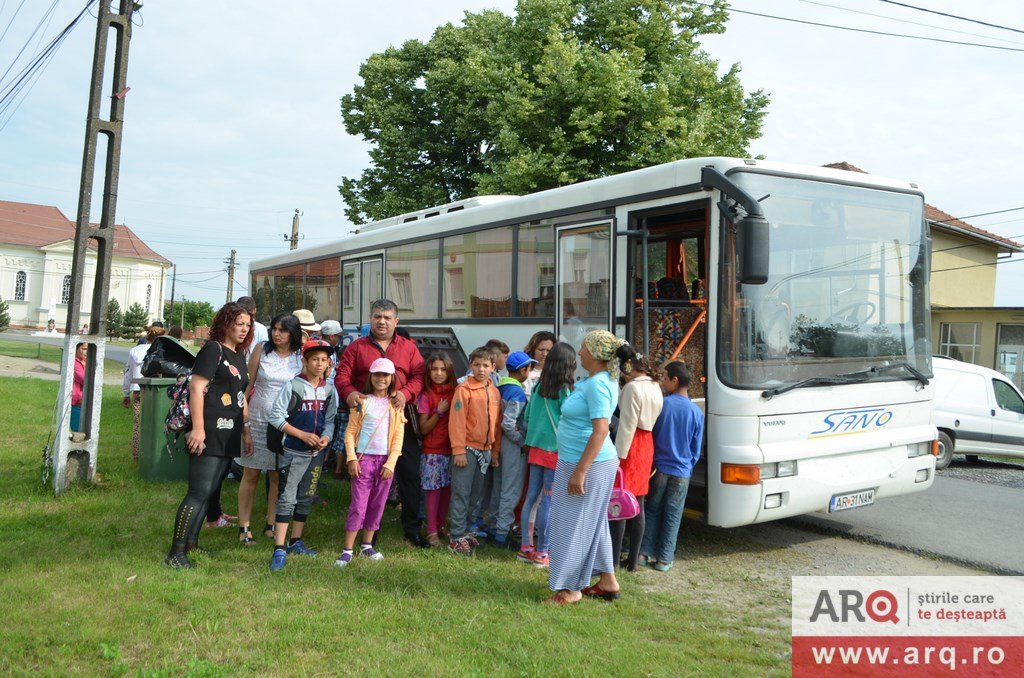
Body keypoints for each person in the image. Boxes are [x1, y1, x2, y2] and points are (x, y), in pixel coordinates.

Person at [165, 303, 253, 569]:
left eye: (247, 325)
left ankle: (192, 543)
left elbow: (240, 396)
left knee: (210, 490)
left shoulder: (238, 354)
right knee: (198, 491)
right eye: (239, 323)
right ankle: (175, 553)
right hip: (210, 431)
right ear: (225, 323)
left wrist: (246, 430)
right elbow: (196, 388)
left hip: (230, 432)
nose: (244, 329)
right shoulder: (212, 349)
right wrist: (199, 429)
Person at [334, 299, 427, 547]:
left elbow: (420, 375)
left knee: (409, 473)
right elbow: (342, 375)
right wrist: (350, 392)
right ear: (370, 318)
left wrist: (406, 393)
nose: (382, 321)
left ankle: (412, 528)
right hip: (367, 421)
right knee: (367, 477)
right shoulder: (356, 348)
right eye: (377, 316)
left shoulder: (408, 347)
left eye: (387, 317)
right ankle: (368, 534)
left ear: (396, 321)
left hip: (398, 419)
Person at [546, 330, 623, 604]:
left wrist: (580, 471)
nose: (579, 353)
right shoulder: (598, 380)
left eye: (583, 348)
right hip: (582, 461)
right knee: (594, 522)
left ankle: (570, 589)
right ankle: (607, 581)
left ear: (596, 354)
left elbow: (601, 430)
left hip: (587, 464)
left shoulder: (598, 384)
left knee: (572, 525)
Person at [267, 339, 338, 571]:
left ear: (329, 364)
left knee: (306, 496)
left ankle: (296, 541)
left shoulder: (329, 390)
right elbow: (276, 417)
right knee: (287, 497)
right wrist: (301, 434)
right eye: (315, 359)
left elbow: (329, 421)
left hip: (316, 454)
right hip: (293, 452)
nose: (319, 364)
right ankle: (279, 548)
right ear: (305, 361)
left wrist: (325, 438)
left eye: (324, 360)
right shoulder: (294, 386)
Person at [237, 313, 302, 546]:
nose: (276, 334)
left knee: (276, 474)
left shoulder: (300, 357)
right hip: (256, 418)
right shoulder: (261, 350)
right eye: (274, 329)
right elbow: (247, 385)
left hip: (285, 423)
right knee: (251, 473)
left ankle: (271, 522)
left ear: (292, 333)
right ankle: (244, 526)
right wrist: (242, 418)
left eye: (282, 330)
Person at [336, 358, 405, 567]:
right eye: (377, 375)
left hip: (385, 462)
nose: (381, 379)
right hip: (363, 460)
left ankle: (367, 544)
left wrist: (390, 463)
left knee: (378, 504)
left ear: (392, 378)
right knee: (358, 505)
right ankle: (347, 549)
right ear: (371, 377)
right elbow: (350, 432)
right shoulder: (362, 402)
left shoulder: (395, 405)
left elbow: (398, 437)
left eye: (385, 375)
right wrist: (351, 458)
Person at [641, 361, 704, 572]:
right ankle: (664, 559)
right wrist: (687, 465)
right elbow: (696, 449)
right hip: (682, 472)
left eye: (665, 377)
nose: (663, 381)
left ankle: (643, 552)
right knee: (673, 514)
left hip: (659, 468)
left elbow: (653, 435)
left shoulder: (663, 405)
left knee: (652, 509)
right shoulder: (696, 413)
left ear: (675, 380)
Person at [517, 342, 575, 568]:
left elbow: (528, 417)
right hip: (555, 451)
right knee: (548, 501)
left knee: (531, 498)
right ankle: (543, 552)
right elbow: (569, 419)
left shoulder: (540, 386)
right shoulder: (565, 390)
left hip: (535, 449)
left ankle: (525, 547)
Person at [609, 344, 664, 571]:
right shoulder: (655, 386)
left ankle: (612, 559)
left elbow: (627, 425)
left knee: (620, 501)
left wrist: (617, 455)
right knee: (638, 501)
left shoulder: (632, 388)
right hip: (646, 442)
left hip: (630, 445)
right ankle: (632, 561)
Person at [446, 347, 502, 555]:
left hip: (485, 452)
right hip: (467, 450)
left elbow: (497, 424)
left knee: (476, 495)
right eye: (477, 365)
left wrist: (494, 451)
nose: (481, 369)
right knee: (462, 492)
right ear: (470, 365)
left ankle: (468, 530)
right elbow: (457, 422)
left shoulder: (494, 391)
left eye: (486, 365)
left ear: (493, 368)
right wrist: (458, 450)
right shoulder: (464, 390)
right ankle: (456, 535)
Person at [486, 350, 536, 548]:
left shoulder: (501, 386)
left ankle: (493, 526)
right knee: (511, 490)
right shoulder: (517, 391)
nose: (530, 372)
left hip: (498, 443)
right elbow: (509, 424)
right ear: (522, 370)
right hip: (512, 446)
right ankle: (501, 533)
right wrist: (522, 441)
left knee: (498, 487)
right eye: (529, 368)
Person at [417, 353, 455, 547]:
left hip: (453, 449)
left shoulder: (456, 392)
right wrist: (438, 412)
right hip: (433, 451)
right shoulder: (425, 396)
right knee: (433, 492)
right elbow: (423, 429)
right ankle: (431, 531)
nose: (439, 373)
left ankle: (440, 526)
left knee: (447, 490)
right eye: (434, 369)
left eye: (442, 369)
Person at [123, 324, 166, 462]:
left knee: (138, 422)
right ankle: (154, 453)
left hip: (137, 389)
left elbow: (128, 372)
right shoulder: (161, 352)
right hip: (157, 390)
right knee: (157, 421)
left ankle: (136, 454)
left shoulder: (134, 351)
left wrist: (125, 393)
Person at [522, 330, 557, 397]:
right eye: (541, 350)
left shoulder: (557, 372)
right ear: (532, 349)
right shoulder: (521, 368)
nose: (545, 354)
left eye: (548, 350)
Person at [71, 342, 87, 432]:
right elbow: (84, 379)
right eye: (84, 349)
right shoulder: (74, 362)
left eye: (88, 349)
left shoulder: (89, 362)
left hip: (87, 401)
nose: (86, 352)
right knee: (77, 430)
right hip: (77, 402)